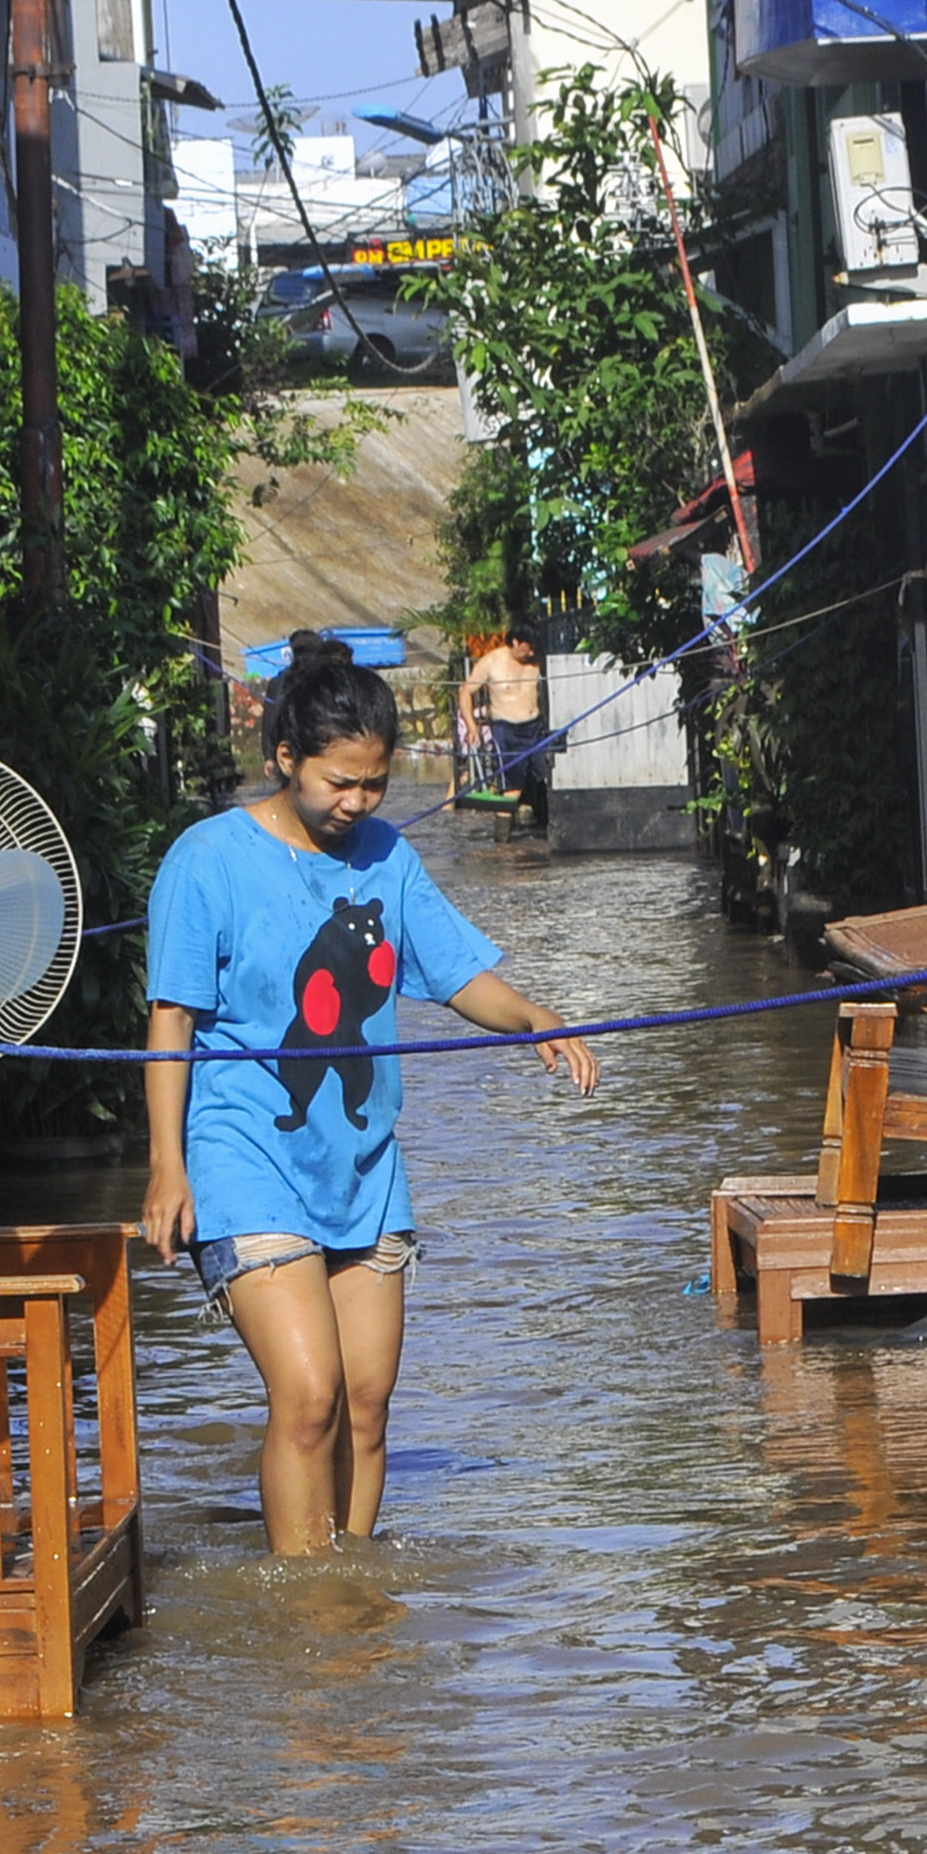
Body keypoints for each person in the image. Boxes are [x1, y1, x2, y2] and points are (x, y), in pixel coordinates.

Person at [140, 643, 601, 1554]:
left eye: (374, 784)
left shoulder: (386, 859)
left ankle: (352, 1595)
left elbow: (458, 974)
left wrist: (534, 1020)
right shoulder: (207, 861)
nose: (356, 803)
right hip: (244, 1152)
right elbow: (171, 1021)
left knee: (364, 1405)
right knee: (307, 1398)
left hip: (359, 1158)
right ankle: (304, 1612)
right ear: (284, 759)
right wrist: (167, 1165)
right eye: (338, 782)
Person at [456, 622, 551, 820]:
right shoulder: (492, 662)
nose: (531, 653)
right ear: (515, 642)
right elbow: (466, 691)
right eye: (527, 648)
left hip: (534, 727)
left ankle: (543, 827)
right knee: (512, 787)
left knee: (547, 778)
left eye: (534, 648)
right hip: (507, 730)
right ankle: (503, 839)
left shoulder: (536, 660)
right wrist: (472, 727)